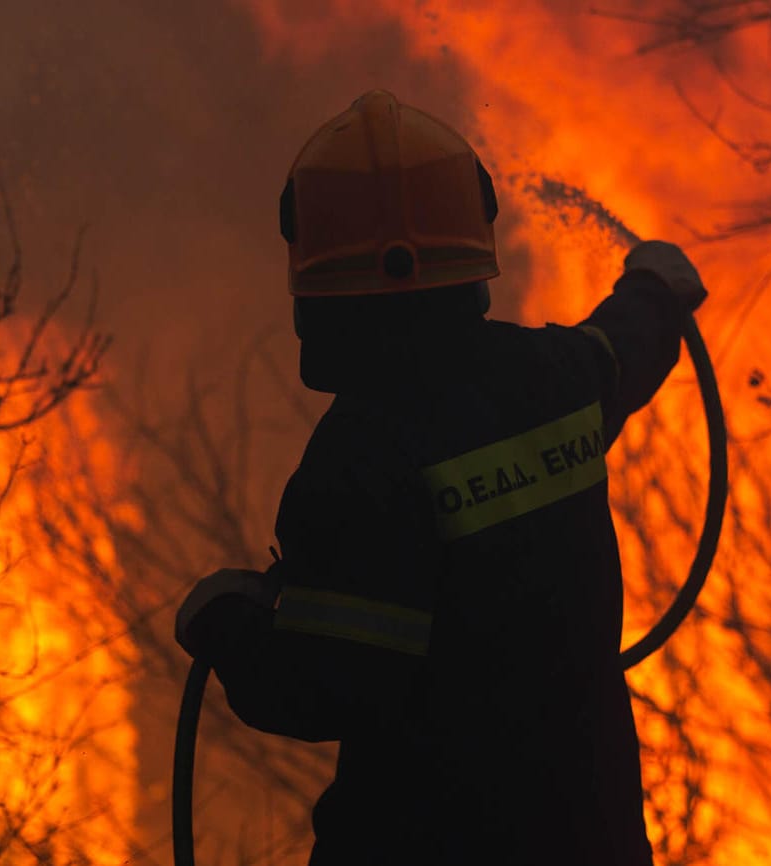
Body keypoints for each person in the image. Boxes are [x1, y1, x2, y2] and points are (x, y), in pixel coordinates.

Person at [174, 90, 708, 865]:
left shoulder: (356, 461)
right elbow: (621, 349)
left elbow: (322, 683)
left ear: (313, 267)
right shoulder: (551, 378)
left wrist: (223, 621)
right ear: (471, 239)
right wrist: (656, 289)